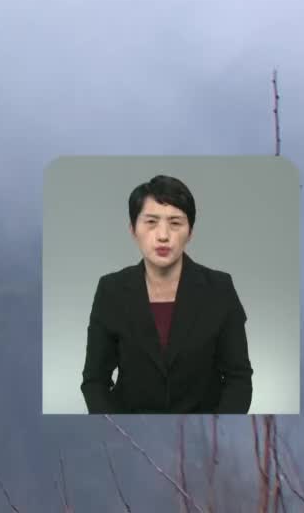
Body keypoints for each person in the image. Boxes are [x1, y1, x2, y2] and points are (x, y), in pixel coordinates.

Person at [80, 174, 253, 414]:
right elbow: (94, 381)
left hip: (205, 434)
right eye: (151, 222)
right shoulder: (111, 290)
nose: (163, 235)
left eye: (175, 223)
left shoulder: (219, 289)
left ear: (190, 231)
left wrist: (218, 428)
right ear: (133, 229)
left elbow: (239, 378)